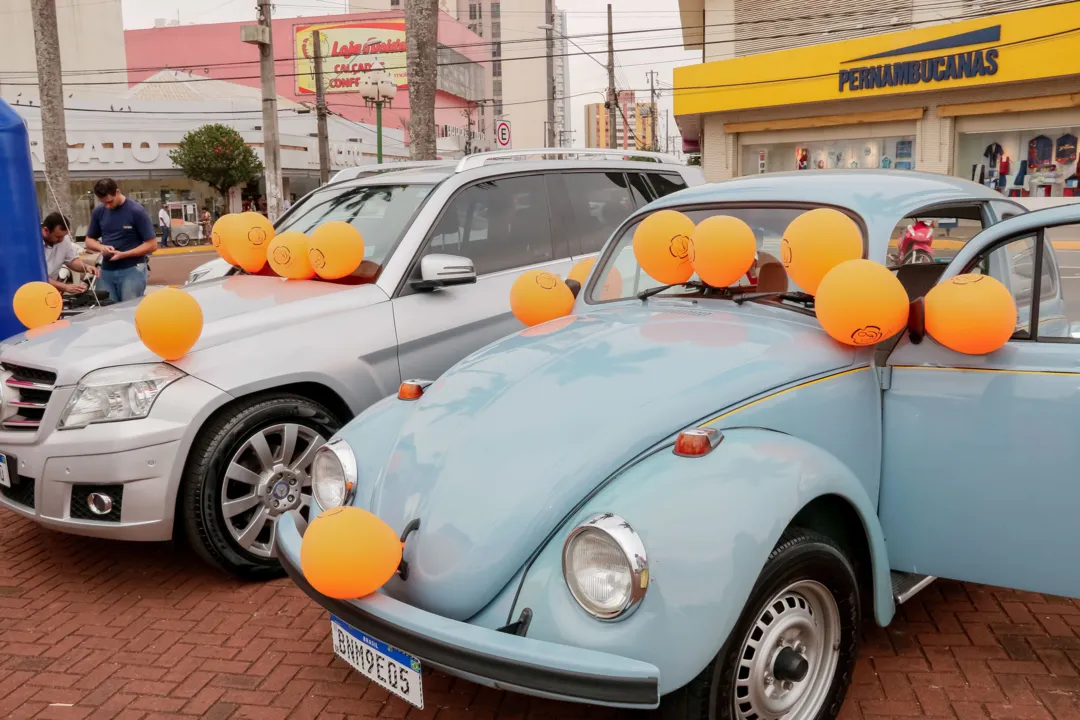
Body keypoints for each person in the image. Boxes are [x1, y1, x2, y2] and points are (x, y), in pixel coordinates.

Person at [84, 178, 157, 302]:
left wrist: (124, 254)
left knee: (129, 309)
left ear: (117, 192)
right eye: (103, 202)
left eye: (110, 201)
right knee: (107, 311)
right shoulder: (99, 211)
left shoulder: (136, 211)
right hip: (106, 270)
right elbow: (89, 240)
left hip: (132, 269)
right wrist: (102, 248)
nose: (107, 206)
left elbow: (152, 244)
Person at [42, 212, 99, 294]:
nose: (61, 240)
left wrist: (86, 267)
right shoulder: (32, 244)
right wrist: (65, 287)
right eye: (58, 237)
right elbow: (37, 277)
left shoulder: (65, 239)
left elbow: (71, 261)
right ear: (45, 230)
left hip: (51, 292)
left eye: (64, 236)